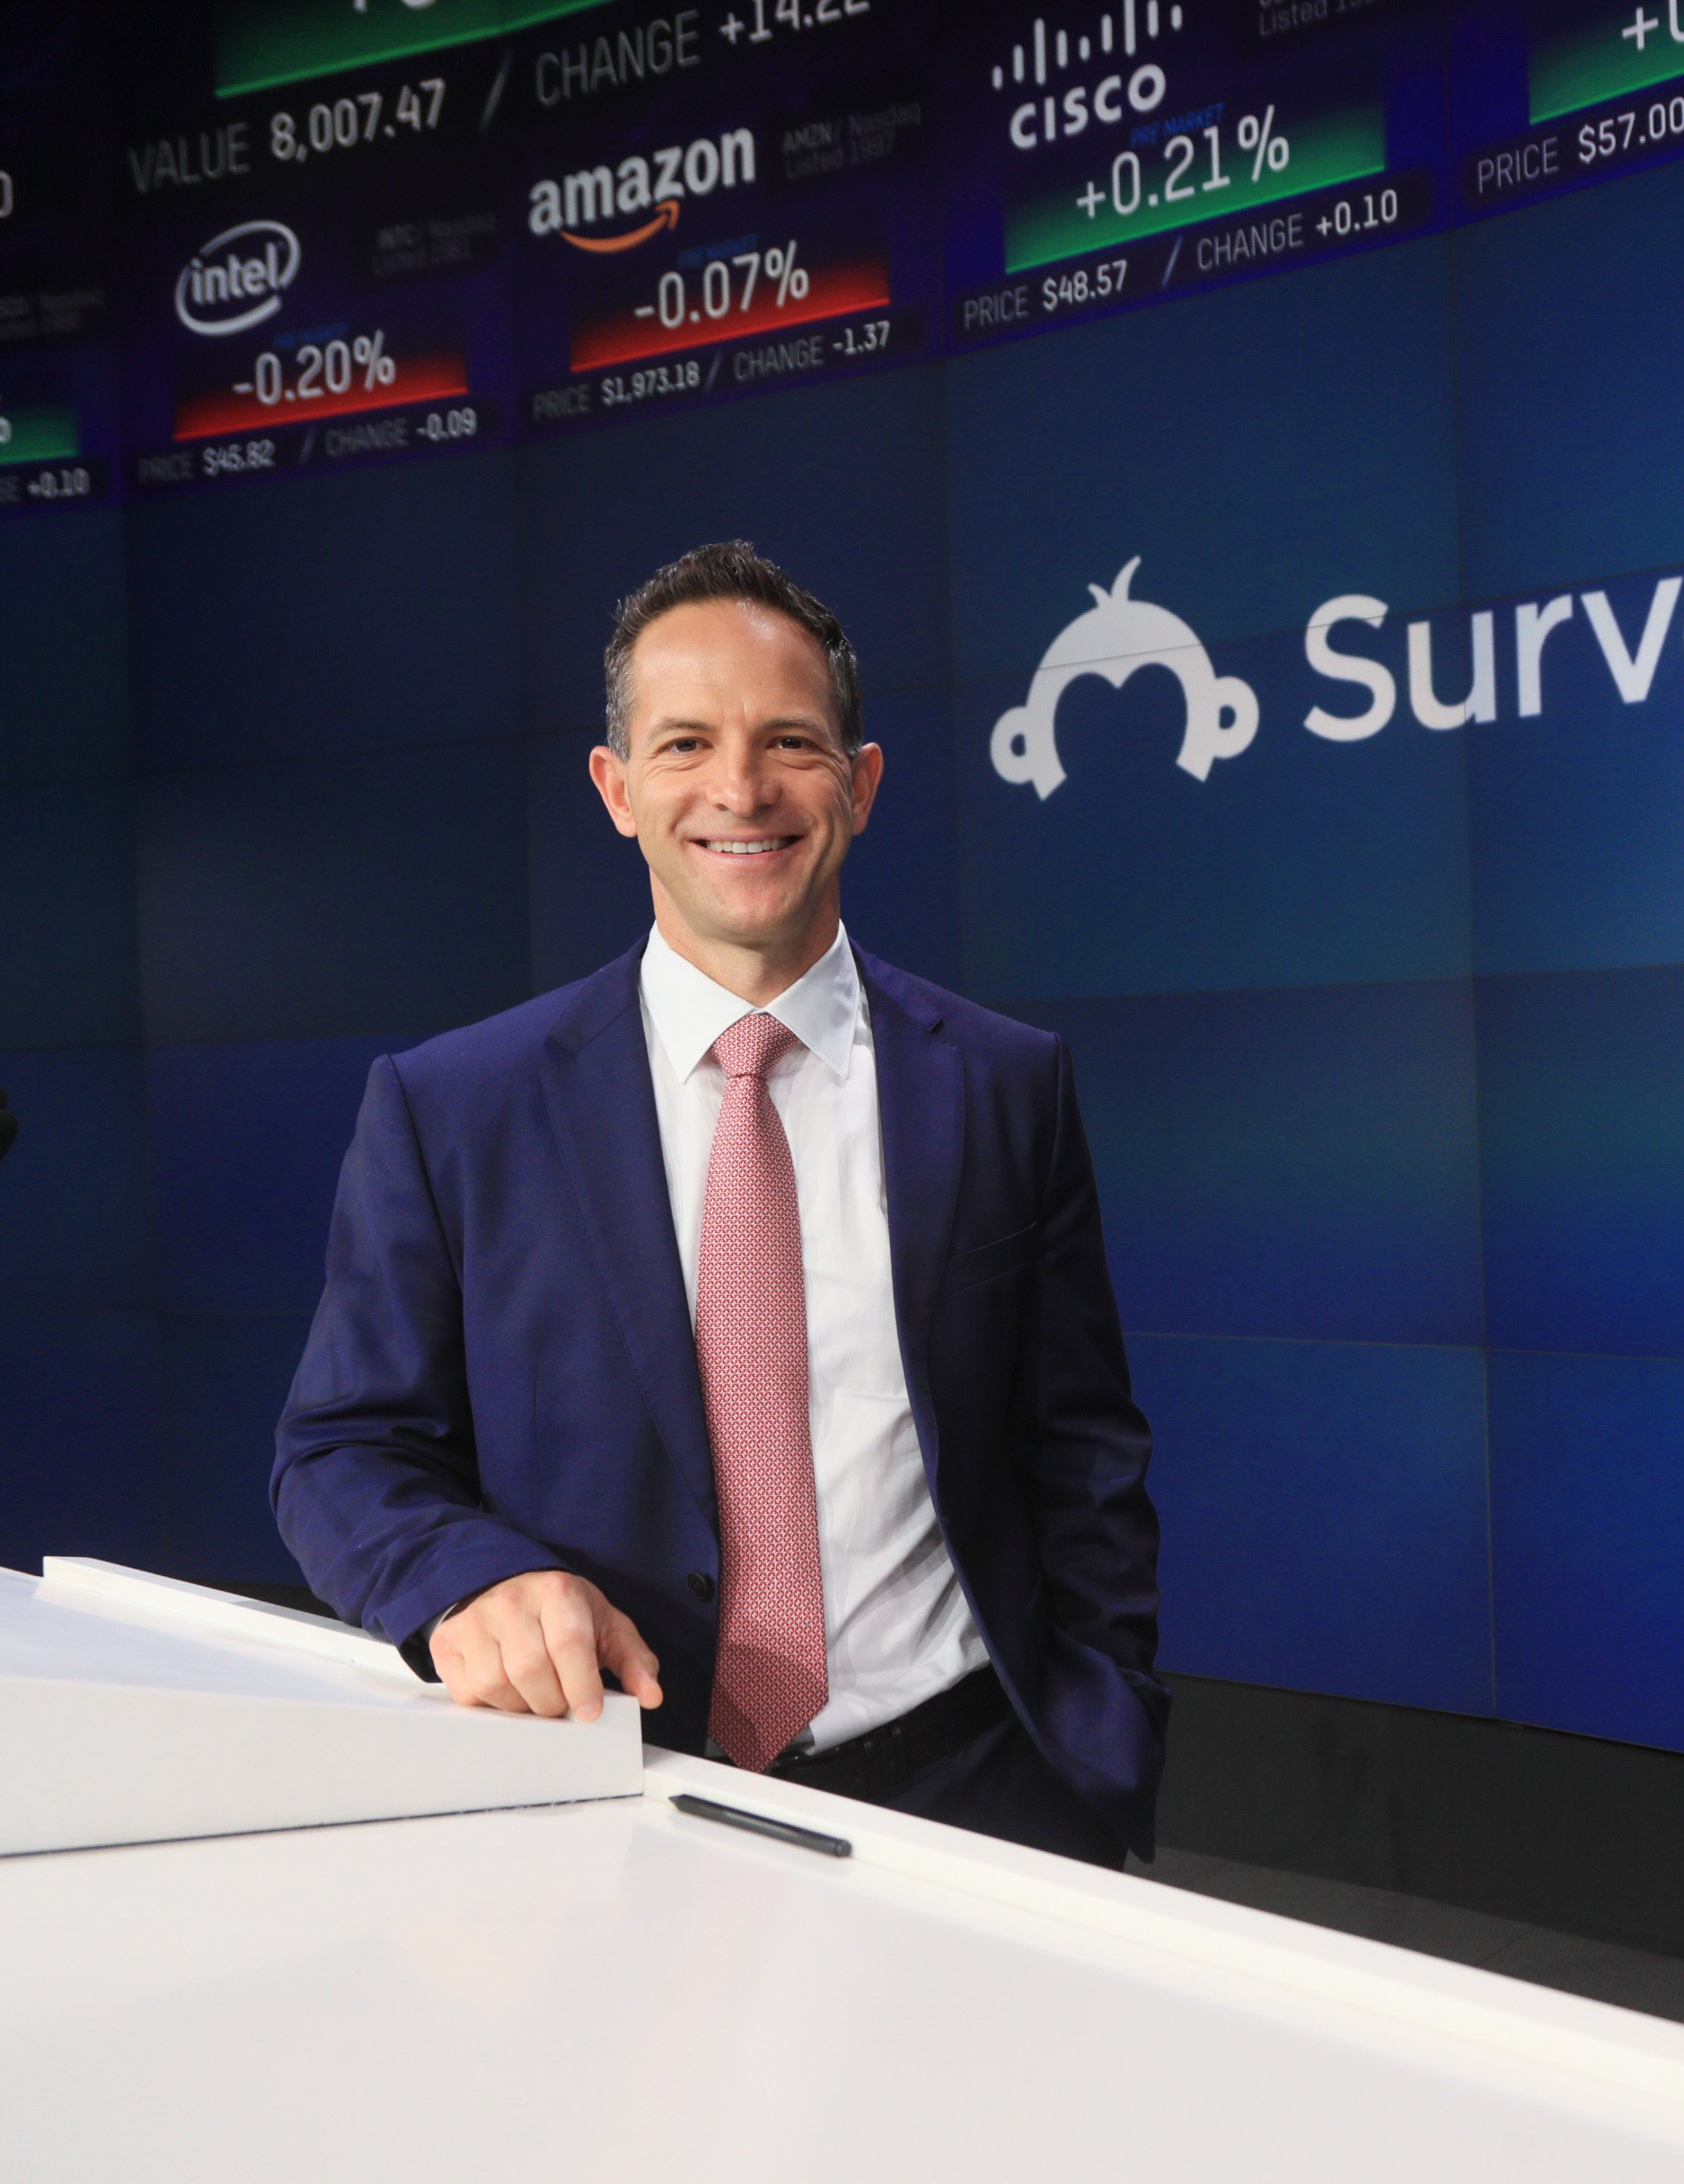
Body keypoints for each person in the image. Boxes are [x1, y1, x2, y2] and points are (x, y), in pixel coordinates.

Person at [273, 541, 1160, 1866]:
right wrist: (467, 1577)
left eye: (789, 742)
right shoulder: (455, 1107)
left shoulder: (1002, 1084)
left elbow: (1079, 1451)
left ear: (857, 786)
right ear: (617, 788)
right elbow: (339, 1451)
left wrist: (1103, 1748)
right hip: (604, 1805)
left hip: (976, 1802)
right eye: (684, 744)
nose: (739, 789)